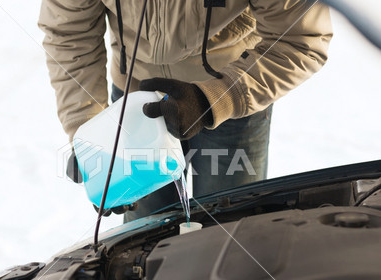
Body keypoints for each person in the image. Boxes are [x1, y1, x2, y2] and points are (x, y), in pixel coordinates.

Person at [39, 0, 332, 221]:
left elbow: (300, 39)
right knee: (145, 237)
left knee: (229, 233)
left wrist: (212, 99)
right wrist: (89, 130)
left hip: (233, 100)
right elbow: (68, 33)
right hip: (134, 106)